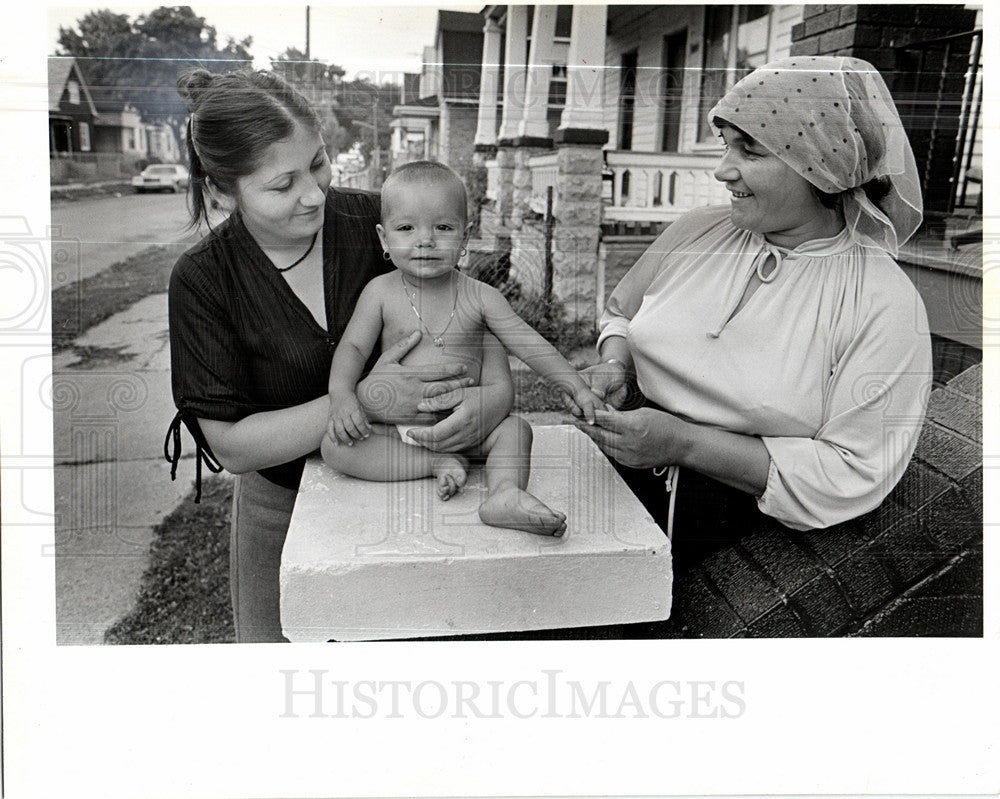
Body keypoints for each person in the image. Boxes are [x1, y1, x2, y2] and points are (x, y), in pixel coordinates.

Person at [164, 70, 514, 643]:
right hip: (280, 509)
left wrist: (485, 401)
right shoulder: (204, 280)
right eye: (282, 185)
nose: (314, 194)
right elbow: (230, 445)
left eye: (320, 164)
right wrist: (365, 398)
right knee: (282, 682)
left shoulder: (374, 222)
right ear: (221, 193)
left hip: (419, 482)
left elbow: (466, 320)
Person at [577, 56, 932, 563]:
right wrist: (616, 365)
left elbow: (855, 471)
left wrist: (684, 444)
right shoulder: (698, 230)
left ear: (821, 163)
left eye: (751, 151)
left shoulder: (883, 303)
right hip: (613, 472)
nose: (723, 171)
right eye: (727, 146)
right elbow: (621, 314)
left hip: (732, 542)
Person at [323, 161, 604, 537]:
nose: (425, 240)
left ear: (466, 236)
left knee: (516, 430)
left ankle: (504, 494)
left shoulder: (481, 296)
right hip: (401, 428)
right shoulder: (380, 292)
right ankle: (431, 463)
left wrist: (576, 386)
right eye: (406, 228)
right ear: (384, 238)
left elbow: (527, 342)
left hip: (474, 429)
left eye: (443, 227)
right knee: (335, 447)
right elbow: (354, 348)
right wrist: (341, 395)